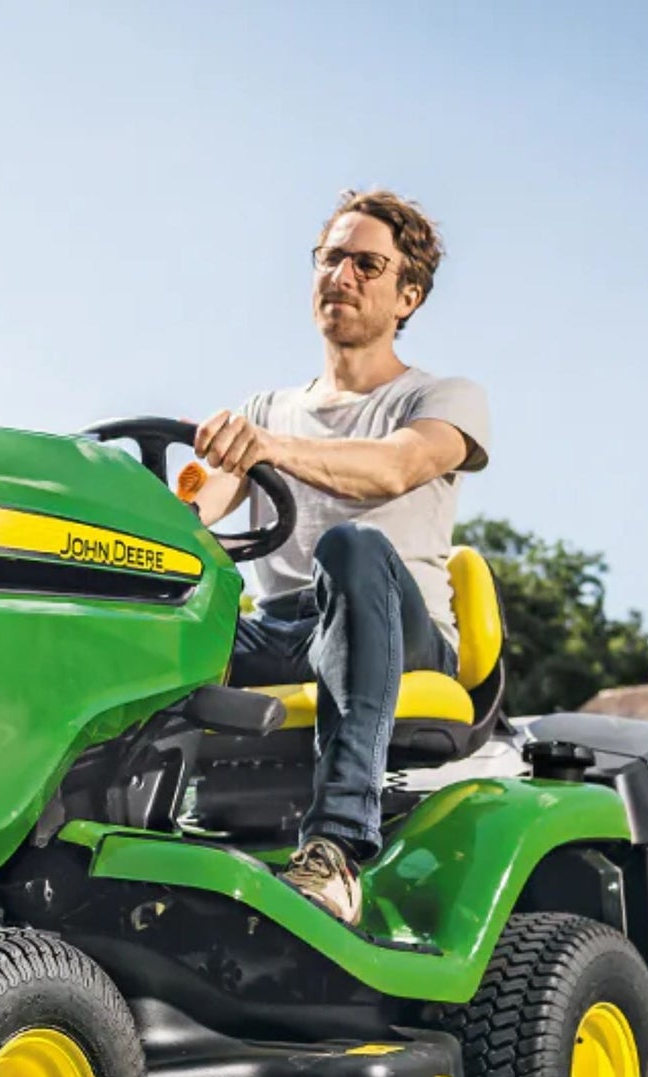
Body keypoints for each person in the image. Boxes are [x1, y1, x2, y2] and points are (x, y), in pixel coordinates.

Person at [187, 189, 490, 924]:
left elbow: (391, 471)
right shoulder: (261, 410)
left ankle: (335, 851)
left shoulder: (444, 398)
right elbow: (194, 512)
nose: (342, 275)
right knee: (158, 610)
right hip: (288, 634)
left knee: (351, 547)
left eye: (367, 264)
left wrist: (272, 449)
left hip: (400, 631)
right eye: (331, 258)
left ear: (407, 294)